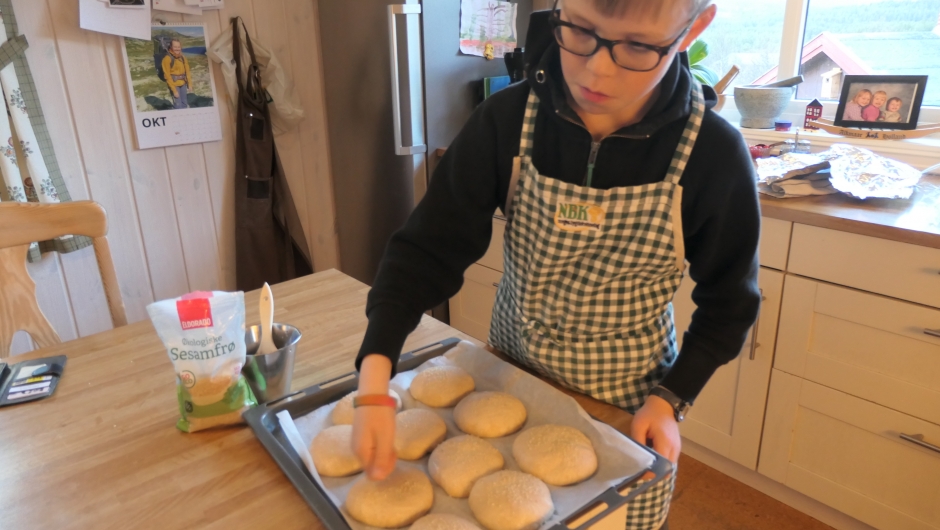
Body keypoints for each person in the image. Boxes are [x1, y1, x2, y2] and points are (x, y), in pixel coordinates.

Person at [352, 0, 760, 528]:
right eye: (581, 31)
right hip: (506, 376)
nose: (597, 69)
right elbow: (428, 250)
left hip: (626, 408)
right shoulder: (507, 119)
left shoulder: (712, 155)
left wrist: (672, 400)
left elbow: (729, 304)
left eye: (637, 46)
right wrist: (375, 372)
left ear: (692, 29)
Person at [162, 39, 192, 109]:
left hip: (183, 83)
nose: (177, 49)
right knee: (178, 105)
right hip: (174, 84)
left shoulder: (183, 57)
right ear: (171, 47)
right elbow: (167, 76)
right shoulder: (167, 59)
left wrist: (189, 84)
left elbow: (187, 71)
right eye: (175, 47)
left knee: (184, 103)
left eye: (179, 47)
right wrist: (174, 91)